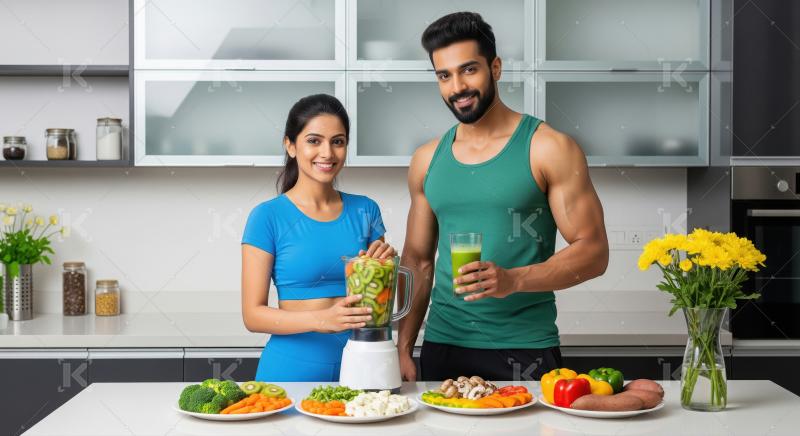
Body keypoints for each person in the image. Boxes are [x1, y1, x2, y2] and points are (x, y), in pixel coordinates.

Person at [397, 12, 610, 382]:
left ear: (495, 67)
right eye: (444, 75)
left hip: (524, 348)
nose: (457, 86)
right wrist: (403, 347)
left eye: (468, 70)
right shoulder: (427, 159)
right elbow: (418, 261)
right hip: (443, 347)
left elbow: (594, 252)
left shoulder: (548, 148)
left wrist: (513, 280)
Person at [241, 94, 397, 382]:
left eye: (337, 141)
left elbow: (380, 305)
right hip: (292, 371)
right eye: (314, 141)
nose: (327, 153)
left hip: (366, 366)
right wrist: (322, 319)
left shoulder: (366, 209)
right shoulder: (267, 217)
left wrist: (386, 268)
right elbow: (253, 315)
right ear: (290, 145)